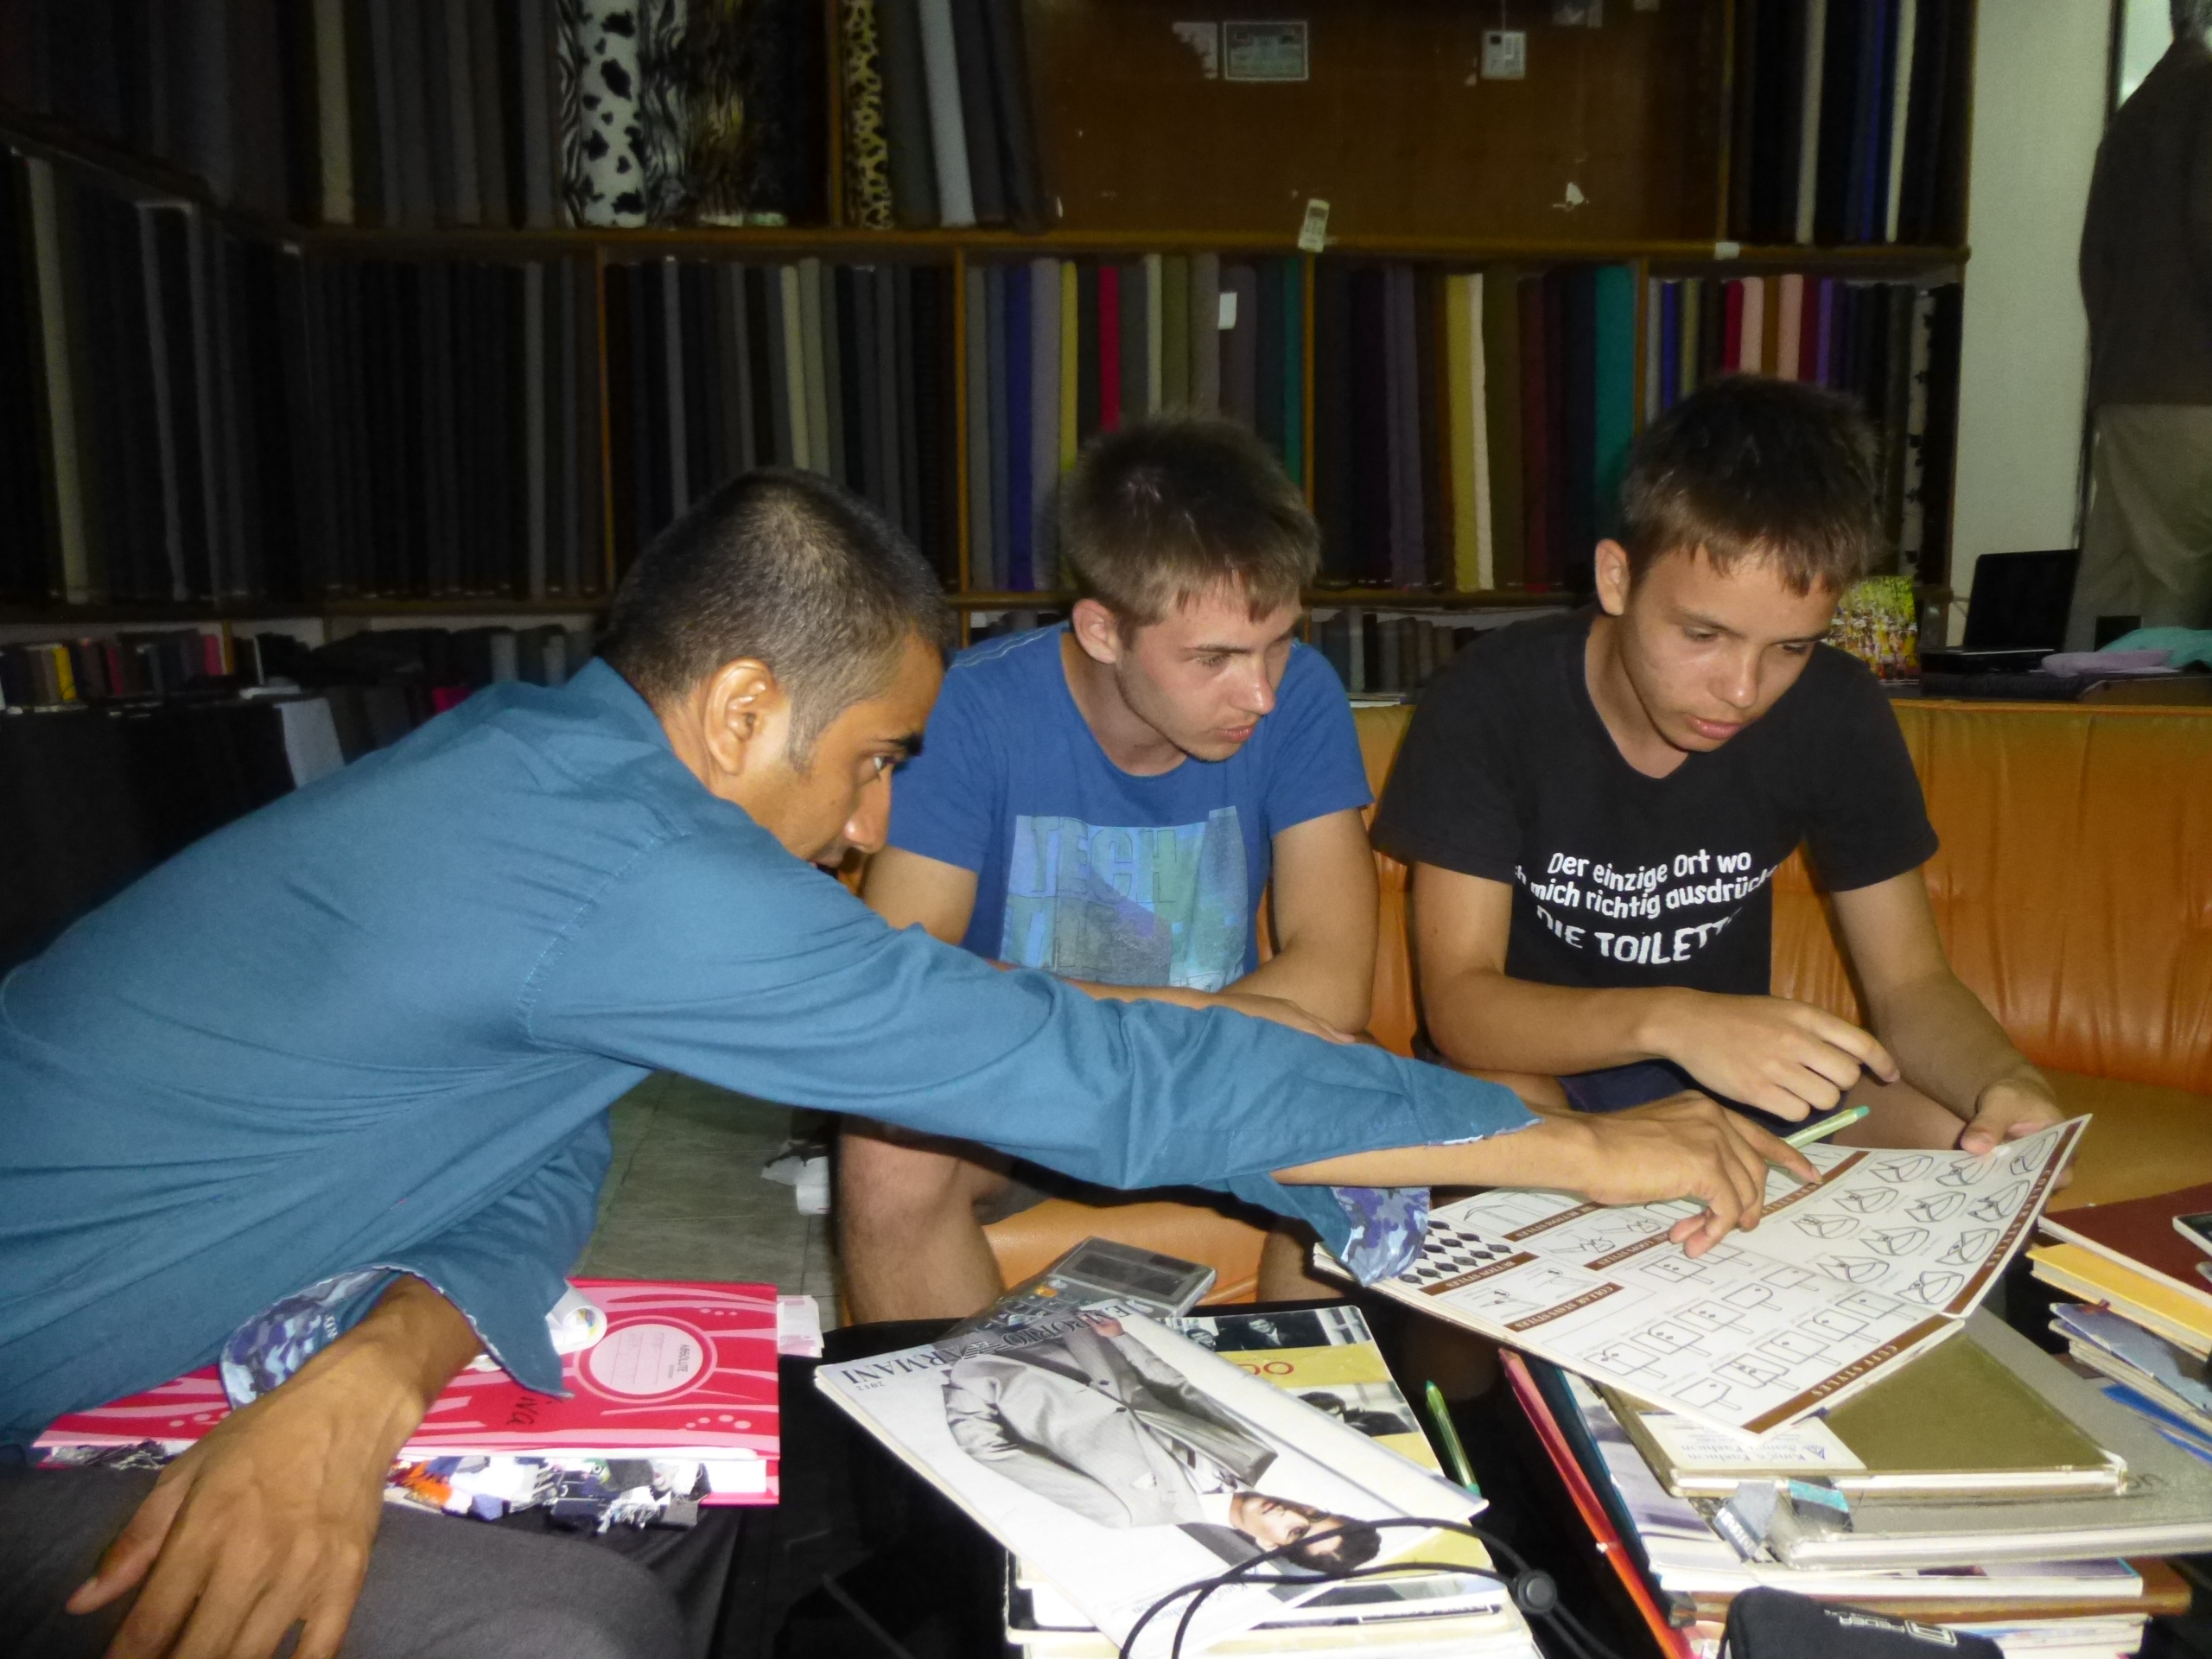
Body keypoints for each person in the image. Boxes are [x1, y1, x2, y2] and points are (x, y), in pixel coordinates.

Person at [1, 470, 1806, 1659]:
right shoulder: (636, 868)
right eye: (873, 759)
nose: (872, 825)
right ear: (739, 711)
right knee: (567, 1631)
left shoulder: (534, 777)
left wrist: (378, 1365)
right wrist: (1558, 1147)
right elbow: (1109, 1080)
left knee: (698, 1533)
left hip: (151, 1357)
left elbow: (537, 1142)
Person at [1374, 377, 2065, 1155]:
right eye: (1703, 636)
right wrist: (1674, 1020)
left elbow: (1910, 984)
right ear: (1616, 578)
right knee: (1520, 1122)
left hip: (1728, 1079)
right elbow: (1461, 1007)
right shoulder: (1489, 699)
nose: (1742, 691)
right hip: (1534, 1066)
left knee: (1978, 1148)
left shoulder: (1835, 708)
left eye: (1791, 647)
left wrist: (2005, 1081)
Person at [841, 417, 1381, 1320]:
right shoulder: (968, 706)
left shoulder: (1304, 697)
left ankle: (1304, 1398)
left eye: (1279, 641)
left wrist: (1106, 1031)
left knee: (1367, 1116)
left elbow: (1334, 981)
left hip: (1213, 1071)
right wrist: (1130, 1044)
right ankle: (969, 1409)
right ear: (1101, 630)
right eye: (1214, 658)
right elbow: (910, 987)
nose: (1261, 693)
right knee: (884, 1148)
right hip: (1028, 1090)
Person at [942, 1319, 1379, 1574]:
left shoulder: (1129, 1512)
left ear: (1268, 1547)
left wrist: (971, 1380)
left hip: (989, 1360)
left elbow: (992, 1451)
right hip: (1075, 1332)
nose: (1292, 1513)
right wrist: (1119, 1337)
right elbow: (1176, 1389)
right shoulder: (1255, 1455)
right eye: (1315, 1514)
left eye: (1297, 1532)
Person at [2068, 0, 2212, 650]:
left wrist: (2118, 346)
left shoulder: (2138, 109)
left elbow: (2094, 259)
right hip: (2196, 388)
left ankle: (2067, 711)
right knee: (2180, 600)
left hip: (2129, 383)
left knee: (2112, 588)